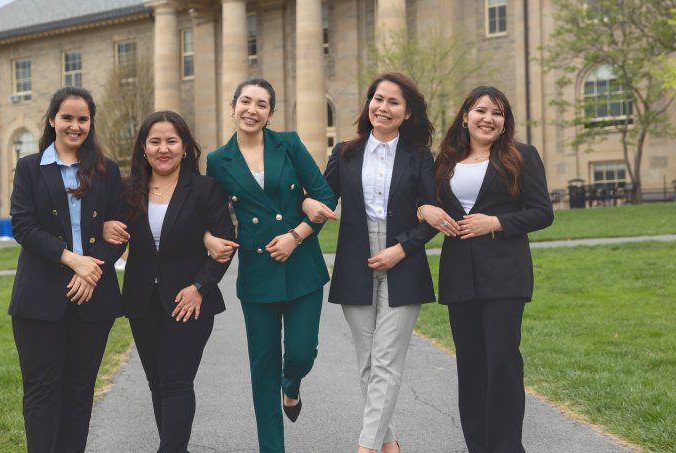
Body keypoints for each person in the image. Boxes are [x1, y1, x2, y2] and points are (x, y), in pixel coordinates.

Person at [302, 72, 437, 453]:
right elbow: (322, 199)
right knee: (367, 362)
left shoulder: (421, 157)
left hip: (404, 261)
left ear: (408, 113)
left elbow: (433, 215)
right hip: (355, 262)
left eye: (394, 102)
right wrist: (306, 204)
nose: (384, 107)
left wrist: (402, 248)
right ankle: (389, 442)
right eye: (378, 99)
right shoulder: (345, 152)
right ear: (369, 103)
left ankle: (365, 447)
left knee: (386, 359)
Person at [204, 77, 337, 453]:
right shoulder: (218, 161)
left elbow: (324, 196)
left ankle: (291, 385)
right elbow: (209, 214)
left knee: (300, 353)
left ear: (271, 114)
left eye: (261, 104)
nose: (252, 109)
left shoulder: (290, 144)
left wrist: (296, 234)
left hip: (302, 266)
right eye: (245, 101)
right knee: (263, 370)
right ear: (232, 107)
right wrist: (208, 238)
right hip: (258, 273)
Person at [418, 86, 553, 453]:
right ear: (465, 116)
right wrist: (421, 211)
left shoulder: (521, 156)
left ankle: (507, 447)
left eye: (497, 113)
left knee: (503, 362)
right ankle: (478, 446)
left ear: (504, 121)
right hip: (459, 275)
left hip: (505, 275)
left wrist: (495, 222)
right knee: (471, 367)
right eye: (481, 111)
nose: (488, 119)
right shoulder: (445, 161)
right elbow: (427, 207)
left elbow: (543, 213)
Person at [101, 111, 236, 452]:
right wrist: (104, 227)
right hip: (141, 300)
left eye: (172, 141)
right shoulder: (127, 189)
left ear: (186, 146)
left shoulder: (205, 189)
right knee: (157, 382)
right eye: (155, 141)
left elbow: (225, 243)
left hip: (190, 300)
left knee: (177, 382)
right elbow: (109, 228)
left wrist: (199, 287)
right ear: (143, 148)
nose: (164, 148)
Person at [8, 86, 125, 452]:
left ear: (91, 123)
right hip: (39, 299)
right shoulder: (29, 167)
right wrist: (74, 261)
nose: (75, 126)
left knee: (78, 393)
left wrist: (93, 271)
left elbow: (119, 230)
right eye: (67, 118)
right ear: (52, 120)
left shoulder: (108, 171)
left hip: (95, 299)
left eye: (83, 119)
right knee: (42, 392)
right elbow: (23, 227)